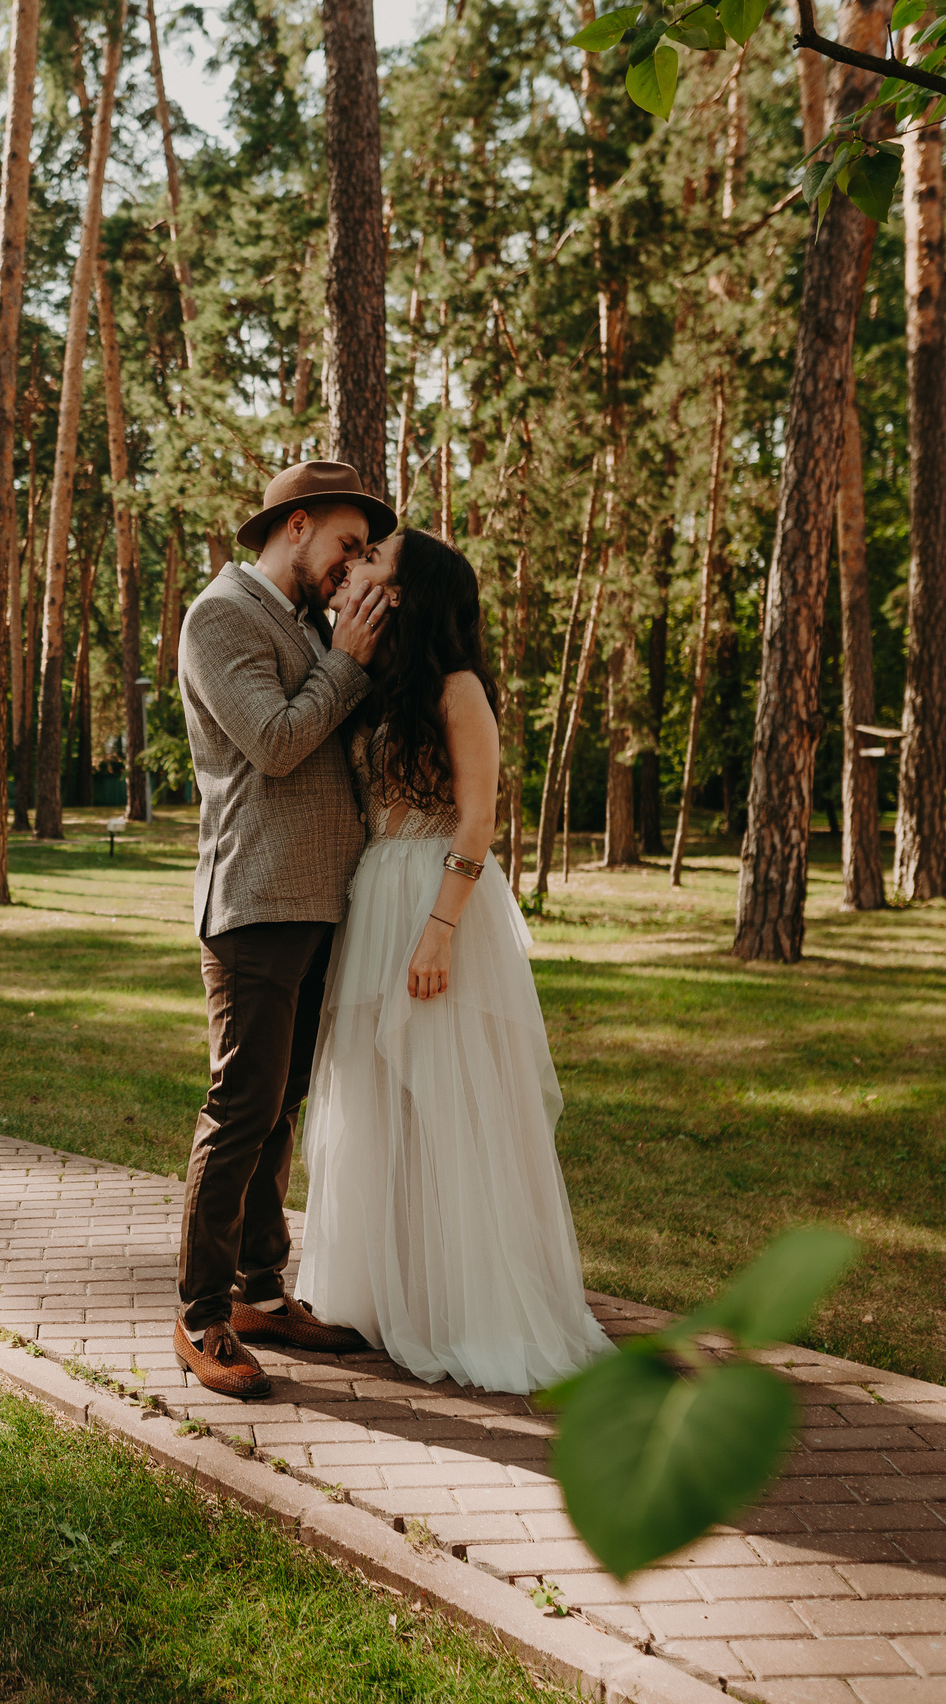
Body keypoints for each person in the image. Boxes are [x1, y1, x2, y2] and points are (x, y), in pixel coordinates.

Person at [296, 528, 614, 1394]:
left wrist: (438, 930)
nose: (359, 565)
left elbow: (478, 820)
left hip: (439, 905)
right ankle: (388, 1296)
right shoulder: (374, 681)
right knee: (372, 1103)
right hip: (373, 900)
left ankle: (470, 1307)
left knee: (449, 1106)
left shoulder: (457, 687)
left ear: (407, 592)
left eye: (377, 561)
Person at [170, 460, 395, 1400]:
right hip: (256, 900)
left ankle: (263, 1288)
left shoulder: (305, 622)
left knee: (281, 1109)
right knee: (240, 1110)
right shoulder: (220, 615)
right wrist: (349, 660)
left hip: (317, 902)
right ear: (294, 525)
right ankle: (200, 1314)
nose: (350, 568)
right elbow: (274, 740)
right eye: (346, 544)